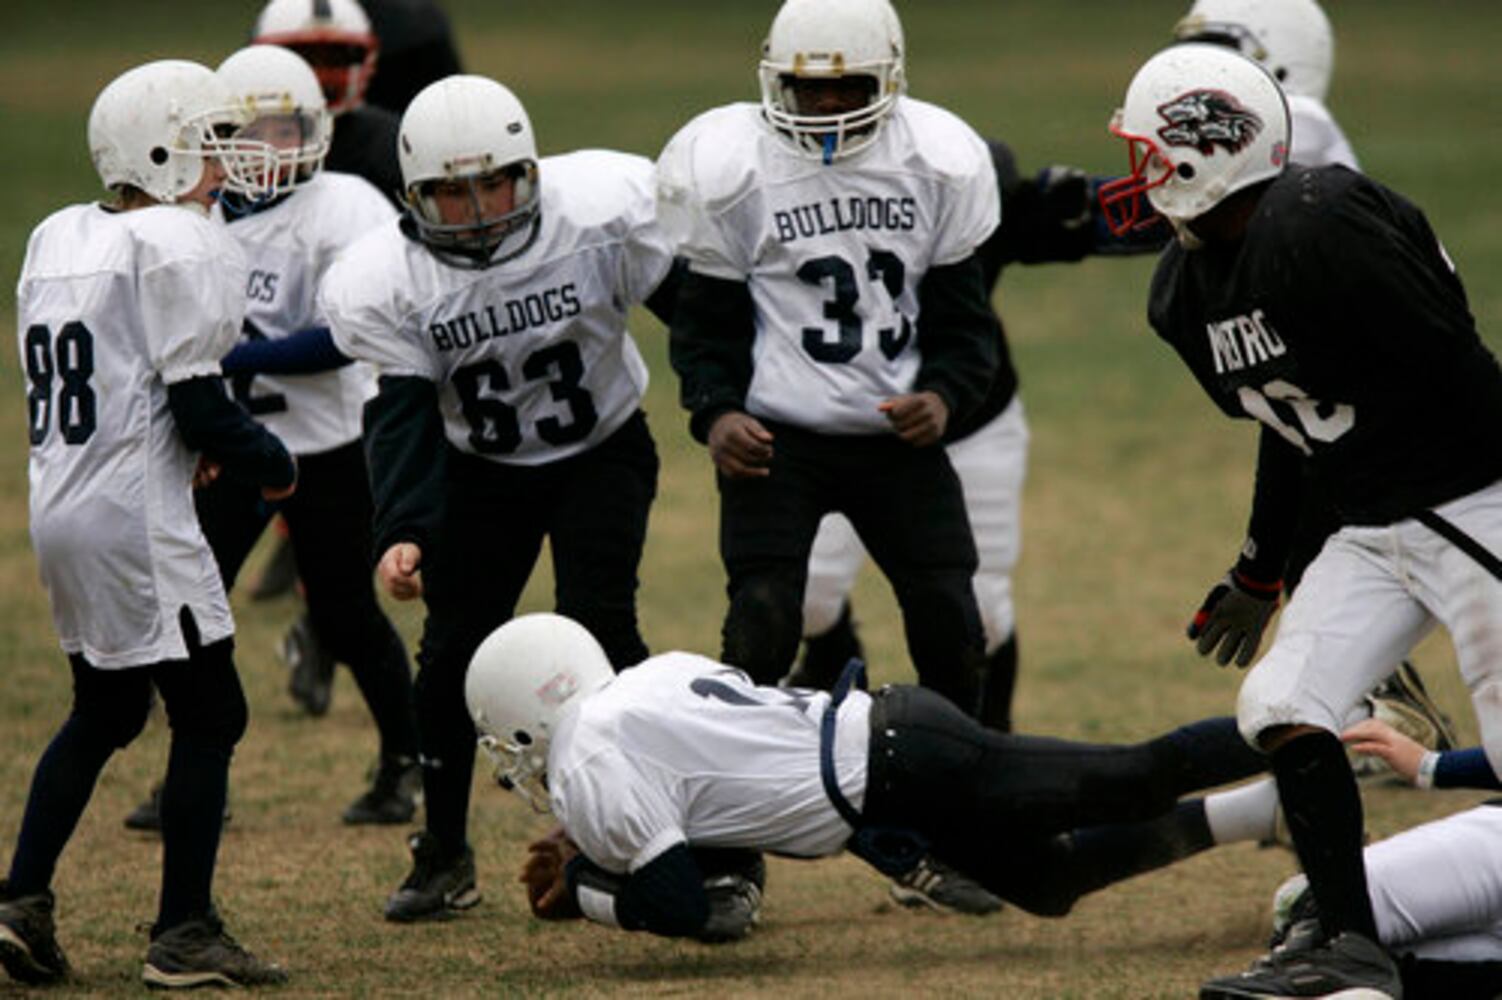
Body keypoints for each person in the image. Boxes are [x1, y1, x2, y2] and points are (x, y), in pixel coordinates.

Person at [1101, 42, 1502, 1000]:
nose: (1137, 176)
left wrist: (1448, 501)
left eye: (1150, 152)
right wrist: (1257, 572)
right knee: (1281, 704)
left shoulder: (1322, 218)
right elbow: (1290, 430)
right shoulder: (1182, 292)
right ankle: (1352, 952)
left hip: (1473, 497)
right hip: (1373, 521)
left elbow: (1456, 367)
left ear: (1209, 148)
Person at [659, 0, 1001, 909]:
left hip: (892, 436)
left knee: (950, 623)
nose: (827, 105)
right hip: (782, 438)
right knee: (761, 625)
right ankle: (733, 843)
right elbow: (706, 328)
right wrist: (715, 413)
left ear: (886, 77)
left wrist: (945, 399)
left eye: (846, 85)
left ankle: (950, 827)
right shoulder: (733, 169)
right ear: (776, 80)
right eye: (809, 88)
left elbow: (970, 331)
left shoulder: (937, 161)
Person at [321, 74, 679, 923]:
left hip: (602, 449)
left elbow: (695, 309)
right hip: (479, 469)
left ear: (529, 172)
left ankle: (638, 829)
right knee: (451, 657)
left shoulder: (600, 211)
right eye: (450, 191)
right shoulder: (390, 277)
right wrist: (402, 527)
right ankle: (444, 850)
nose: (477, 208)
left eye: (492, 182)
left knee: (602, 629)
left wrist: (725, 401)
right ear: (412, 197)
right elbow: (400, 413)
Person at [0, 60, 294, 988]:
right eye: (210, 149)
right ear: (160, 154)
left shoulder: (57, 235)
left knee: (110, 707)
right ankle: (184, 932)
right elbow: (201, 404)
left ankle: (20, 902)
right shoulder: (180, 241)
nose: (224, 169)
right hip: (136, 516)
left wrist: (182, 438)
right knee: (213, 712)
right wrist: (274, 464)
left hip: (65, 505)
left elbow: (127, 378)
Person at [465, 613, 1272, 943]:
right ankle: (1262, 809)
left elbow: (679, 906)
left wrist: (587, 891)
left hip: (900, 762)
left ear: (522, 717)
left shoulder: (590, 755)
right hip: (889, 758)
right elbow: (723, 803)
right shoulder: (645, 684)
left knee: (1132, 778)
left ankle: (1306, 718)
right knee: (1050, 882)